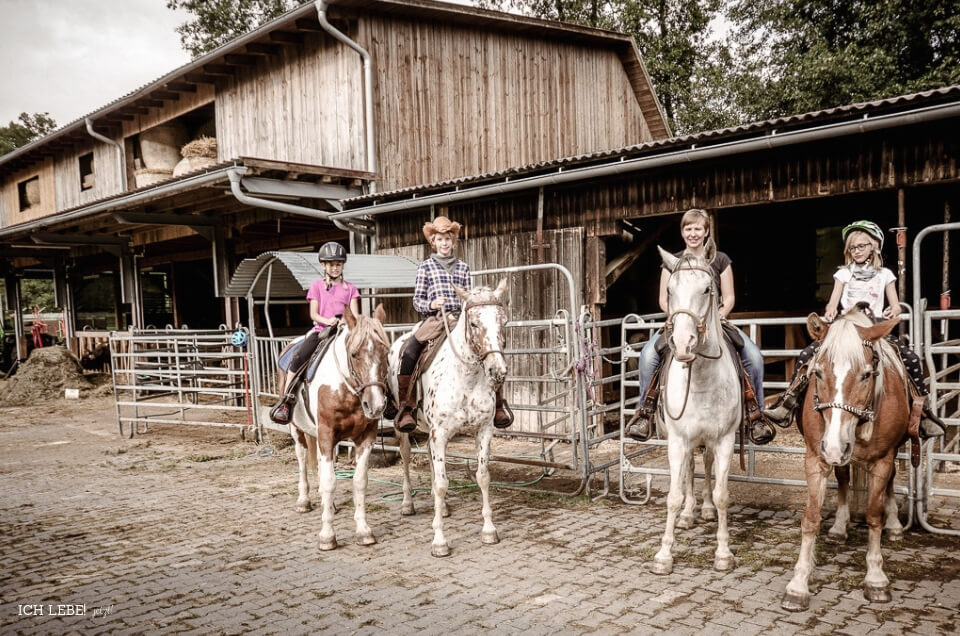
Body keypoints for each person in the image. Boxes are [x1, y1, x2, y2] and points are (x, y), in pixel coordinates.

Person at [763, 220, 946, 438]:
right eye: (852, 247)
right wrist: (830, 310)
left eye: (861, 246)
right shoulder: (843, 274)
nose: (856, 251)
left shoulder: (885, 274)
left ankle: (923, 412)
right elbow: (833, 302)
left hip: (873, 325)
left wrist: (893, 310)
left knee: (911, 359)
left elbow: (895, 304)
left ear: (874, 246)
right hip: (845, 327)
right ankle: (788, 403)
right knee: (806, 355)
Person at [626, 208, 776, 444]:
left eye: (698, 228)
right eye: (688, 228)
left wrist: (715, 317)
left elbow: (729, 298)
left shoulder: (721, 259)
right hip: (680, 322)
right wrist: (682, 319)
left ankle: (754, 415)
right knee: (647, 356)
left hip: (714, 322)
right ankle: (645, 412)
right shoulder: (672, 262)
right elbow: (664, 300)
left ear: (706, 231)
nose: (693, 233)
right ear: (682, 231)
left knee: (754, 357)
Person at [392, 215, 513, 432]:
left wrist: (466, 311)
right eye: (439, 239)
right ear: (433, 242)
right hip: (435, 319)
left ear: (453, 241)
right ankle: (407, 407)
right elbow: (417, 301)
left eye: (448, 239)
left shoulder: (464, 268)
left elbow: (469, 298)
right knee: (410, 351)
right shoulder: (425, 268)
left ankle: (498, 403)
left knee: (491, 346)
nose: (444, 243)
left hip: (461, 320)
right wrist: (432, 304)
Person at [269, 241, 359, 424]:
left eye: (338, 264)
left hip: (344, 332)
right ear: (323, 266)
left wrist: (345, 322)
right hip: (322, 331)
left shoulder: (351, 289)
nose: (335, 268)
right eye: (331, 264)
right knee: (298, 358)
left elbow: (355, 315)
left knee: (368, 356)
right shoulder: (316, 286)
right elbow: (314, 314)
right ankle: (286, 400)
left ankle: (383, 397)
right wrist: (329, 321)